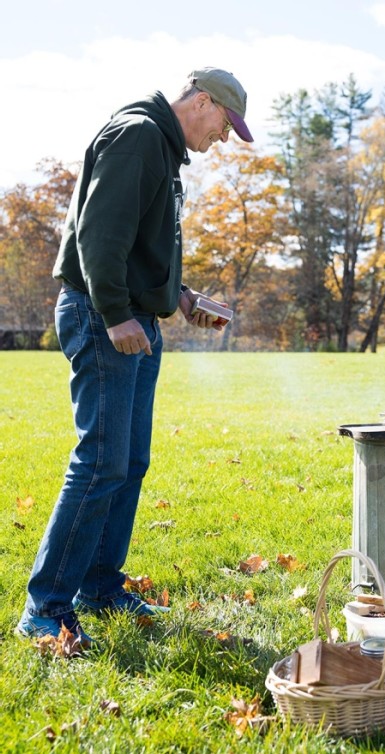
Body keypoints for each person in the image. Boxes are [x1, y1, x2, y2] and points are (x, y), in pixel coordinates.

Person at [16, 67, 253, 645]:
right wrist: (119, 312)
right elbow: (100, 235)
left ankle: (98, 588)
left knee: (129, 461)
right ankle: (45, 608)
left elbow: (142, 246)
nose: (224, 137)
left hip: (136, 320)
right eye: (226, 122)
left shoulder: (165, 152)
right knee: (100, 461)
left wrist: (181, 297)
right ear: (202, 102)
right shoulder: (139, 135)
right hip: (104, 320)